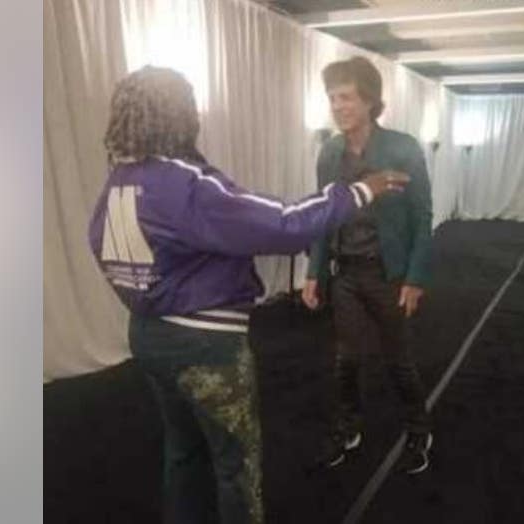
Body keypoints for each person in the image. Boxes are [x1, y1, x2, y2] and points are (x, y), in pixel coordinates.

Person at [87, 65, 407, 524]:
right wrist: (359, 190)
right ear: (175, 113)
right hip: (203, 346)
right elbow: (283, 221)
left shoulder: (119, 179)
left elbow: (100, 246)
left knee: (184, 454)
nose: (197, 111)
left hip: (148, 335)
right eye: (190, 102)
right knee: (236, 465)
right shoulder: (182, 182)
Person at [302, 56, 435, 475]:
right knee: (347, 360)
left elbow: (423, 216)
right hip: (347, 275)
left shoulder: (402, 147)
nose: (337, 106)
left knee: (398, 359)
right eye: (332, 98)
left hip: (388, 275)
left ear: (370, 101)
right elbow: (324, 215)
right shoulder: (330, 152)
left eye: (346, 97)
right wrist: (313, 271)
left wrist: (415, 277)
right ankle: (349, 428)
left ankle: (418, 429)